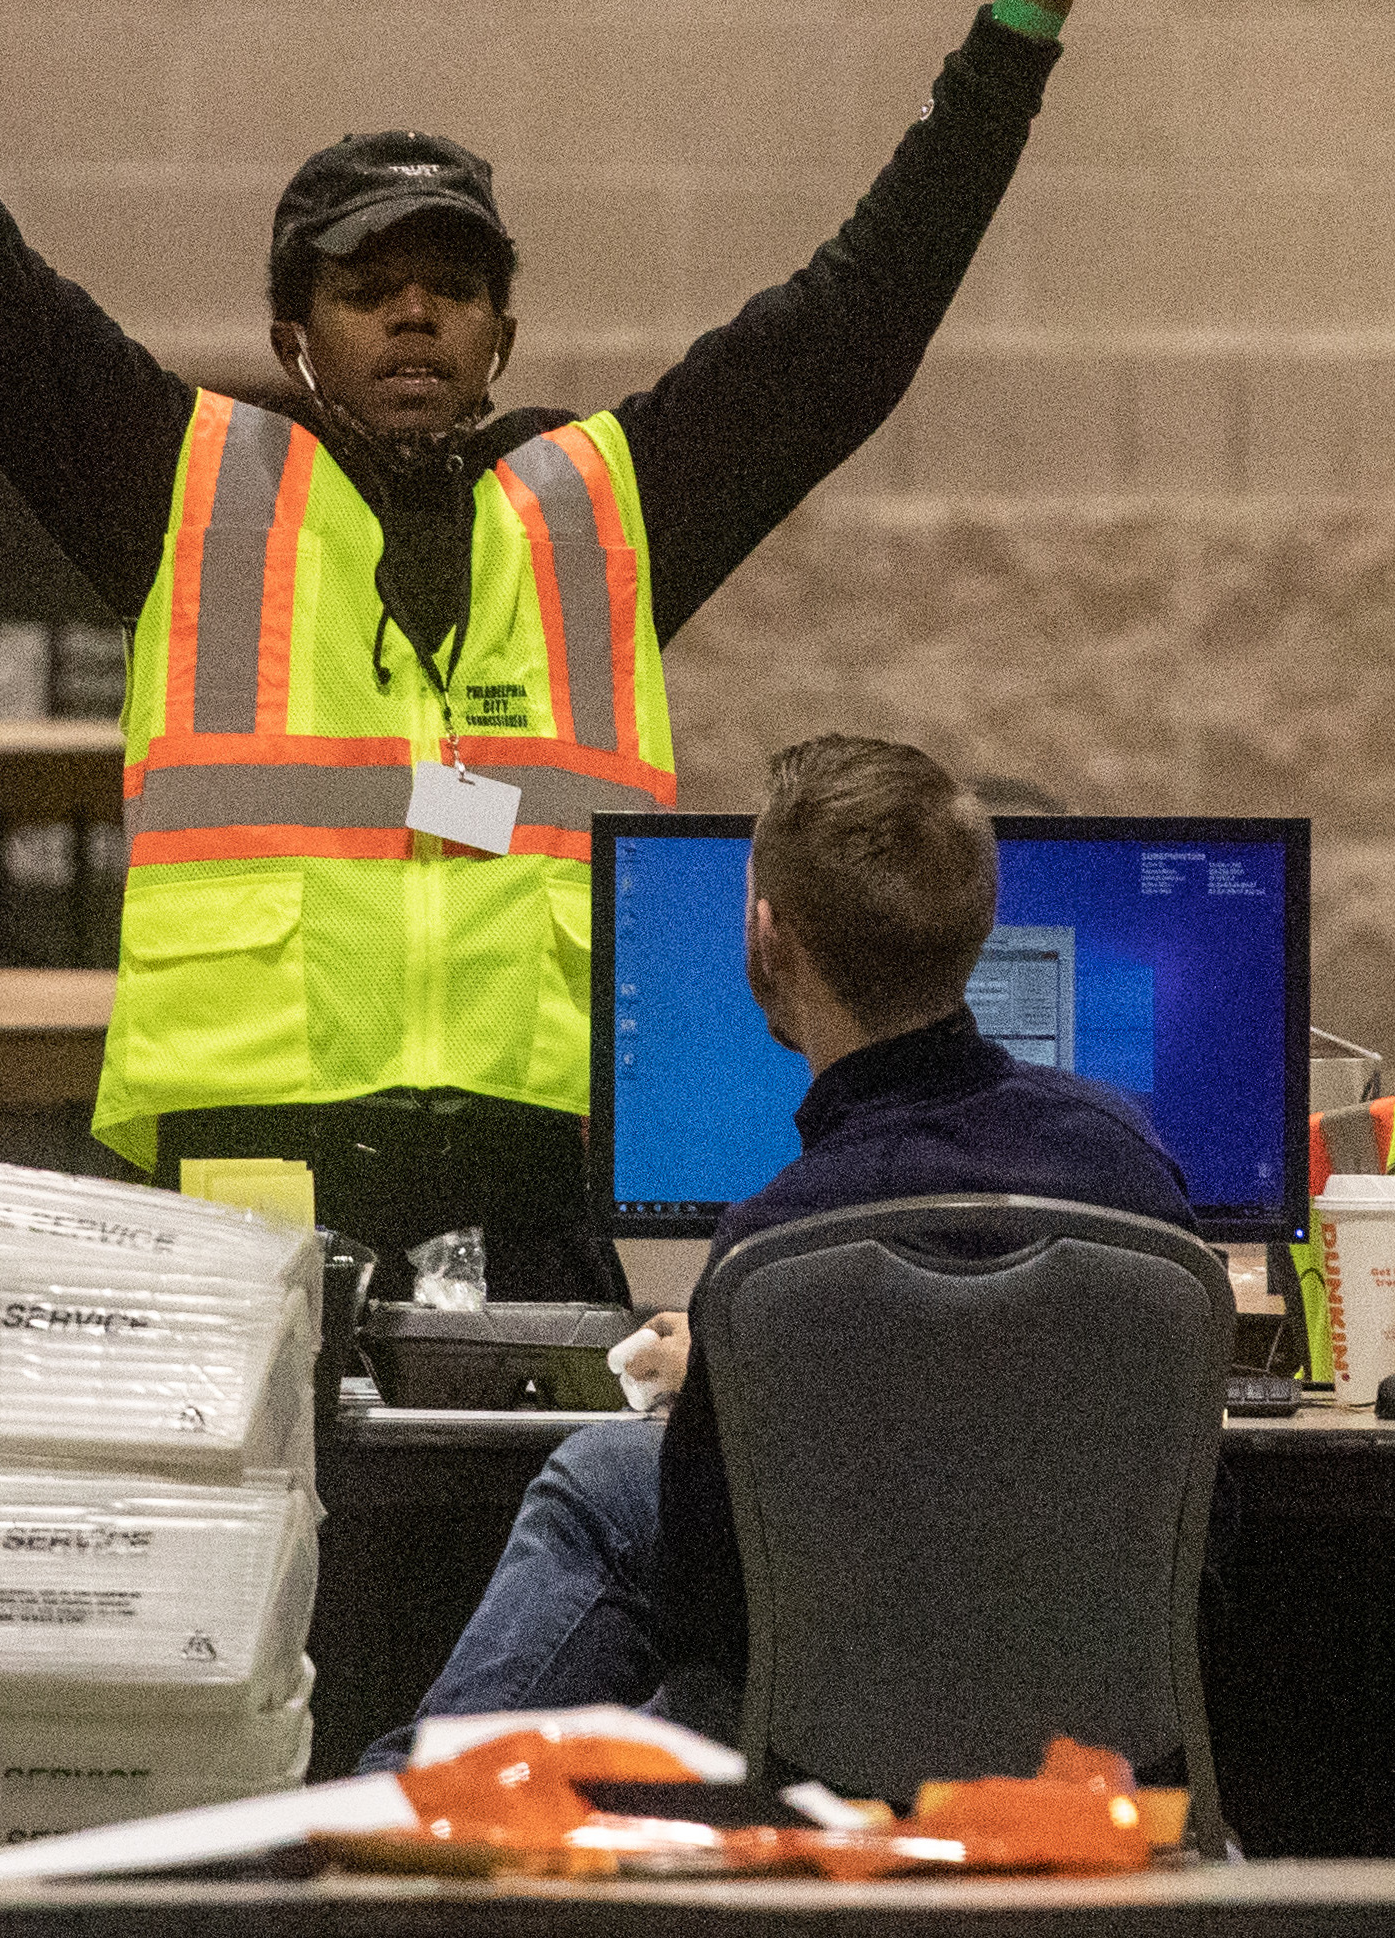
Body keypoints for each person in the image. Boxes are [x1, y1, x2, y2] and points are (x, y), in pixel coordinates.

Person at [0, 0, 1150, 1298]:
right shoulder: (190, 480)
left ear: (504, 329)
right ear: (296, 330)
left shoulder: (604, 501)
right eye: (369, 286)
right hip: (238, 1173)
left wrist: (1022, 21)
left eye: (451, 283)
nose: (413, 312)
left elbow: (854, 327)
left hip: (535, 1179)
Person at [363, 734, 1198, 1765]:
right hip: (1104, 1770)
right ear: (978, 926)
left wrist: (736, 1375)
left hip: (821, 1776)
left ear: (769, 936)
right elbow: (1201, 1529)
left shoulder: (780, 1247)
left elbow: (713, 1611)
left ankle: (410, 1809)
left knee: (601, 1481)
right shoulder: (1128, 1160)